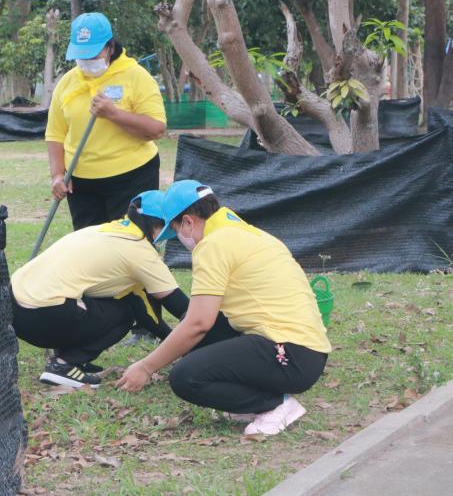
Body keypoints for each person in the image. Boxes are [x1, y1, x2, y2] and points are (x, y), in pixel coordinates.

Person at [117, 180, 332, 436]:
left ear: (188, 221)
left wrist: (146, 367)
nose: (180, 240)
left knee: (186, 377)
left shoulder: (213, 244)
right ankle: (249, 396)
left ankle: (275, 406)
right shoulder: (248, 233)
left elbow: (199, 323)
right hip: (307, 351)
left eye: (176, 231)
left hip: (290, 355)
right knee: (195, 331)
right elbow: (201, 318)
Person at [47, 12, 167, 345]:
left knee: (135, 248)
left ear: (110, 47)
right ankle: (101, 316)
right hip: (82, 182)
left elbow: (157, 129)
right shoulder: (69, 83)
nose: (86, 62)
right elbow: (55, 134)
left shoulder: (135, 76)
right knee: (89, 248)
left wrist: (114, 114)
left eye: (93, 54)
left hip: (131, 175)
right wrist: (58, 174)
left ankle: (148, 322)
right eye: (80, 56)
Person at [10, 191, 190, 388]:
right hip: (44, 316)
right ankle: (64, 365)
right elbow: (178, 308)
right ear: (157, 225)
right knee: (126, 311)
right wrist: (184, 344)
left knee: (95, 299)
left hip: (15, 310)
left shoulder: (104, 230)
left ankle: (69, 359)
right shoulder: (140, 251)